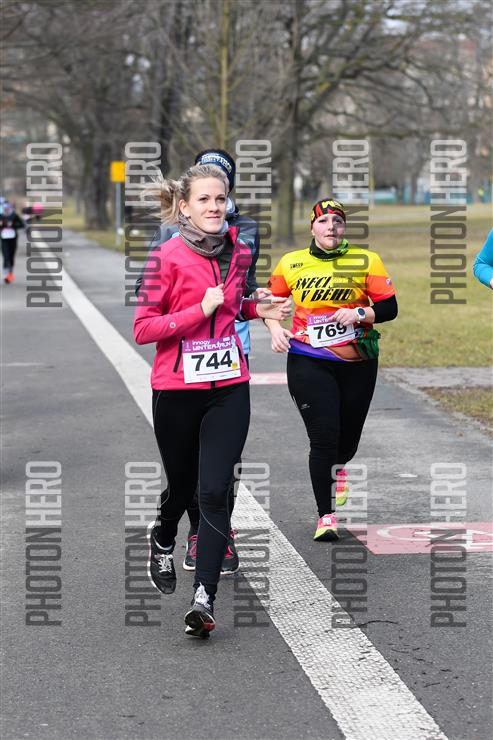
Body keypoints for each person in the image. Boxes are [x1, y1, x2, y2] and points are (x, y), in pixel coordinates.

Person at [133, 163, 290, 637]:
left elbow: (234, 304)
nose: (214, 207)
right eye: (204, 199)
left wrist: (259, 308)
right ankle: (163, 536)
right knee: (182, 487)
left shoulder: (239, 249)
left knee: (215, 490)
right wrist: (196, 310)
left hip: (229, 385)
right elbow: (144, 328)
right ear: (184, 206)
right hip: (176, 390)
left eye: (220, 199)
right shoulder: (164, 257)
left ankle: (203, 598)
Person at [265, 198, 398, 541]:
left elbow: (389, 308)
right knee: (323, 436)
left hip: (357, 360)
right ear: (312, 227)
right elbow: (268, 304)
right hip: (308, 358)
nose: (331, 227)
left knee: (347, 440)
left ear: (344, 227)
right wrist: (274, 328)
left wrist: (359, 313)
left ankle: (338, 467)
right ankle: (326, 516)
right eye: (323, 221)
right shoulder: (291, 263)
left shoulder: (367, 260)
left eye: (337, 221)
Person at [1, 203, 24, 284]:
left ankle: (10, 273)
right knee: (6, 255)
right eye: (4, 209)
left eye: (7, 209)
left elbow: (22, 225)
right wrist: (3, 225)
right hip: (4, 239)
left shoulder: (14, 216)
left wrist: (13, 225)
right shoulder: (1, 216)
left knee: (11, 256)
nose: (6, 210)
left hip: (13, 239)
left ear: (9, 209)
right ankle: (6, 274)